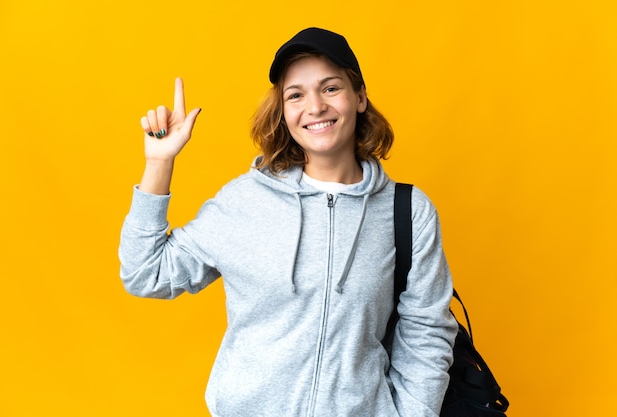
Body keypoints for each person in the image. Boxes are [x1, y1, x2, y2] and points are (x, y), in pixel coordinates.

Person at [119, 27, 457, 417]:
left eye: (330, 88)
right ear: (282, 110)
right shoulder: (246, 201)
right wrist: (159, 163)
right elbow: (146, 274)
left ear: (359, 97)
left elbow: (427, 331)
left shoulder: (408, 211)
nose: (315, 107)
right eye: (295, 95)